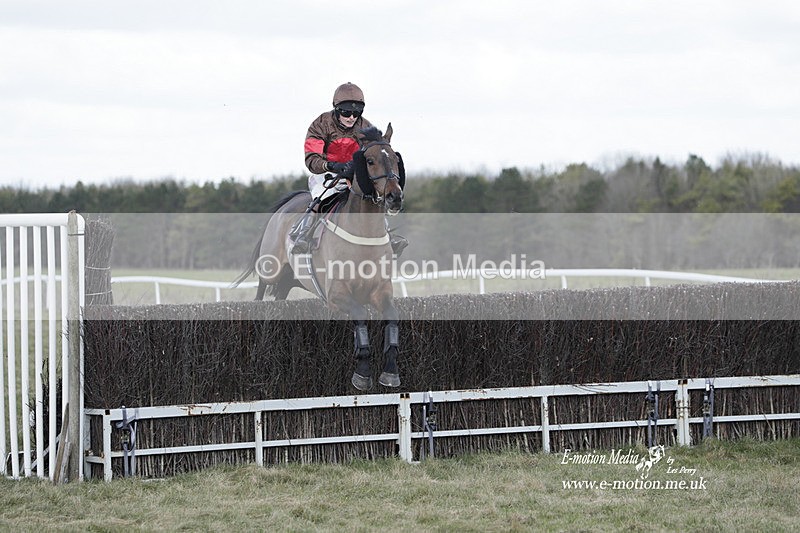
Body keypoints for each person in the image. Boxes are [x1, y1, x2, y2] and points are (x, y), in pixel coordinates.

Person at [291, 82, 408, 255]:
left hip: (354, 173)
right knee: (324, 195)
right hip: (326, 173)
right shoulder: (320, 124)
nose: (352, 117)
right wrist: (331, 165)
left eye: (356, 113)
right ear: (336, 109)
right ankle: (304, 234)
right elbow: (311, 159)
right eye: (346, 112)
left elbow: (375, 155)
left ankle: (387, 235)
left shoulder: (365, 127)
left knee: (372, 197)